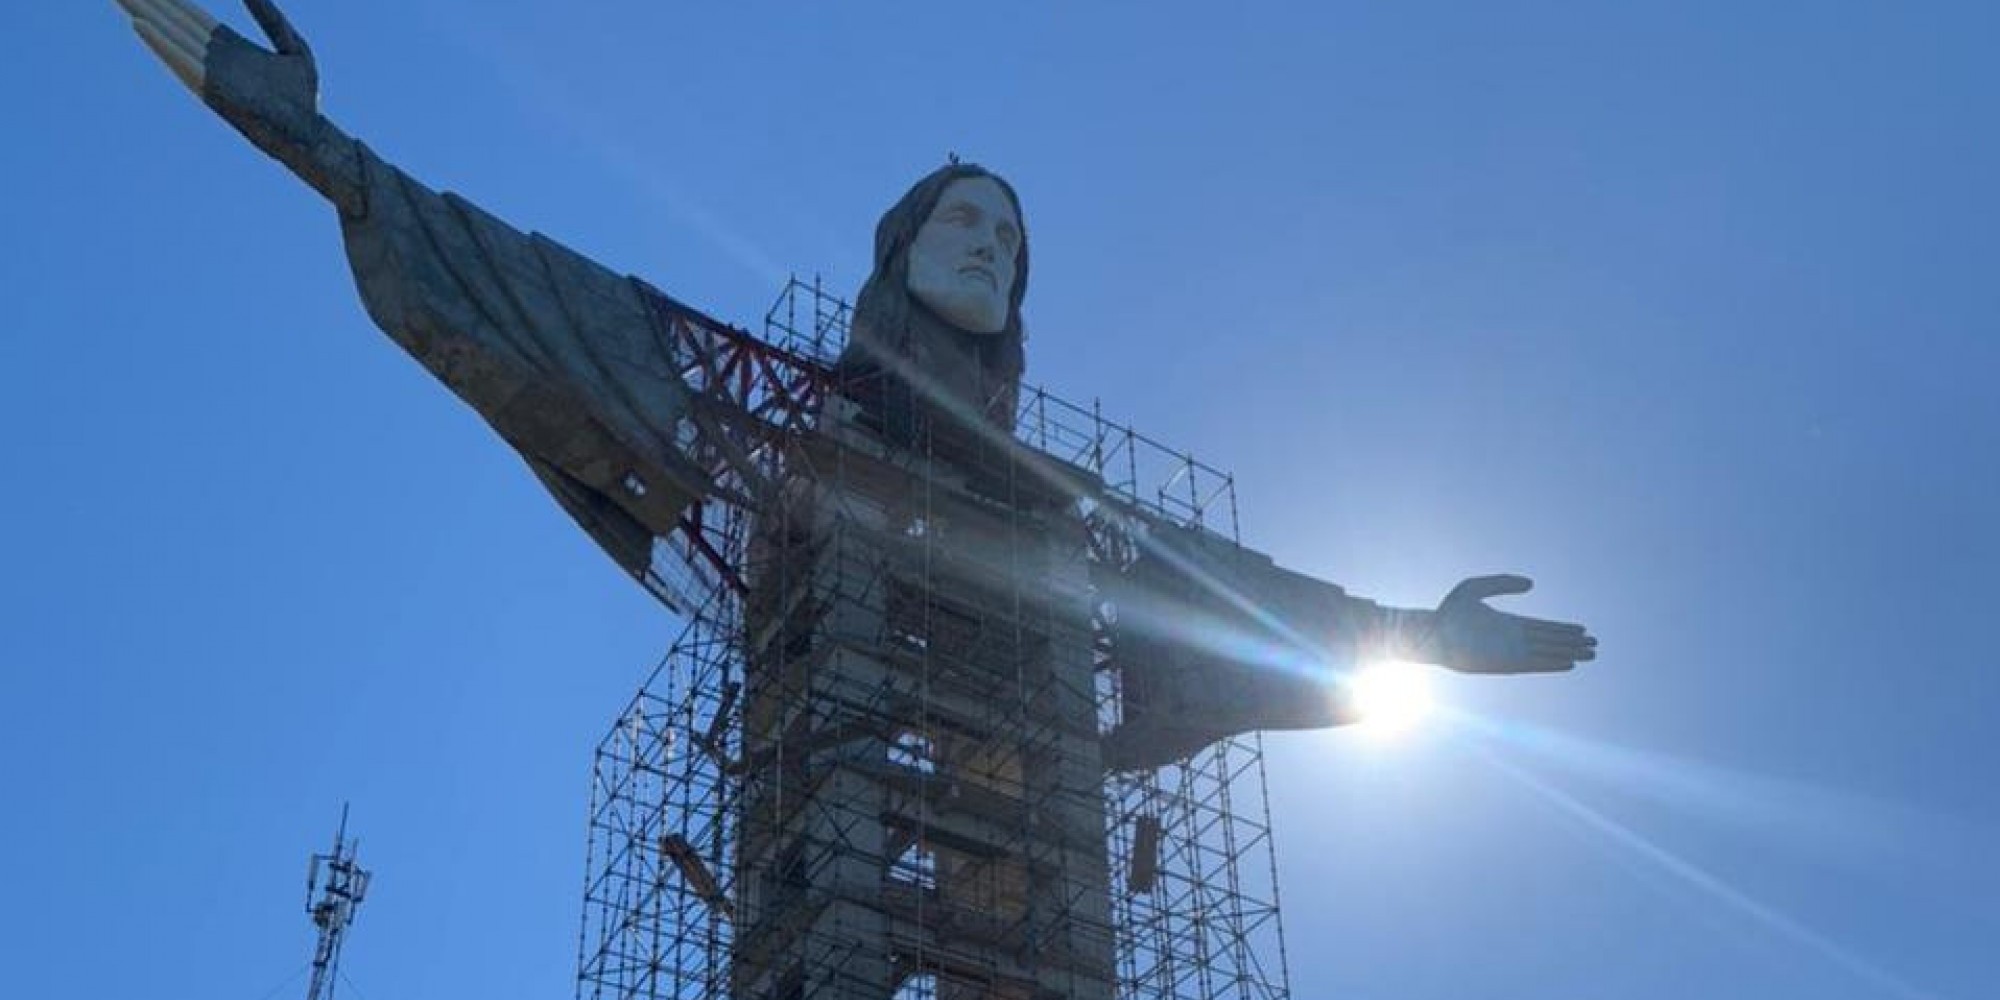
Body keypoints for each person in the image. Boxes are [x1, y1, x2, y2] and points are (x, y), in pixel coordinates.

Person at [109, 0, 1598, 771]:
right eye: (963, 220)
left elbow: (1246, 597)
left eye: (1011, 239)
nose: (993, 247)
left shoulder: (1072, 521)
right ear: (897, 254)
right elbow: (519, 286)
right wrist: (311, 145)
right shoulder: (760, 408)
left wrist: (1421, 638)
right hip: (828, 760)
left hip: (1026, 803)